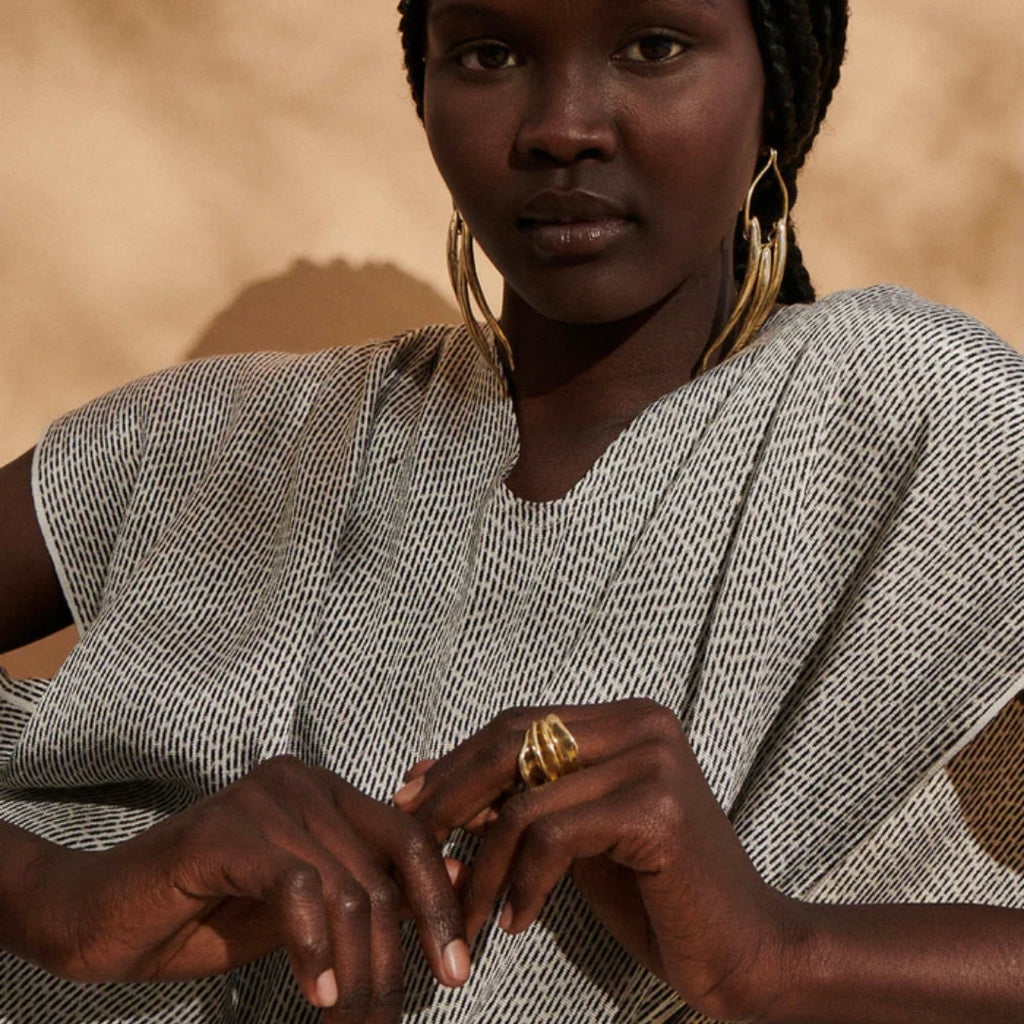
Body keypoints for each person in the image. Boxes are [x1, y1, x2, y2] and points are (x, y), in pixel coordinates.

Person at [0, 0, 1021, 1021]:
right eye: (489, 53)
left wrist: (782, 955)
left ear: (775, 94)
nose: (560, 125)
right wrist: (53, 894)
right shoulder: (239, 435)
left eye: (652, 46)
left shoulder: (914, 419)